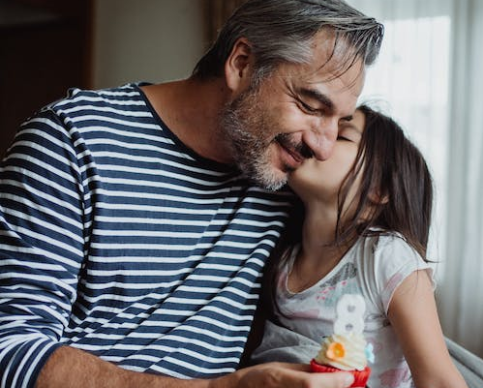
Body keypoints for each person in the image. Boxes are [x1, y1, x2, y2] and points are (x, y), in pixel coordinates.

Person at [0, 1, 383, 388]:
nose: (323, 146)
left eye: (340, 122)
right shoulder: (73, 141)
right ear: (241, 63)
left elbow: (390, 214)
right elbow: (8, 348)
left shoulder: (285, 176)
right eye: (310, 105)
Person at [251, 105, 468, 388]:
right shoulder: (282, 264)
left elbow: (438, 380)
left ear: (380, 189)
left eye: (341, 136)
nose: (319, 138)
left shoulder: (386, 256)